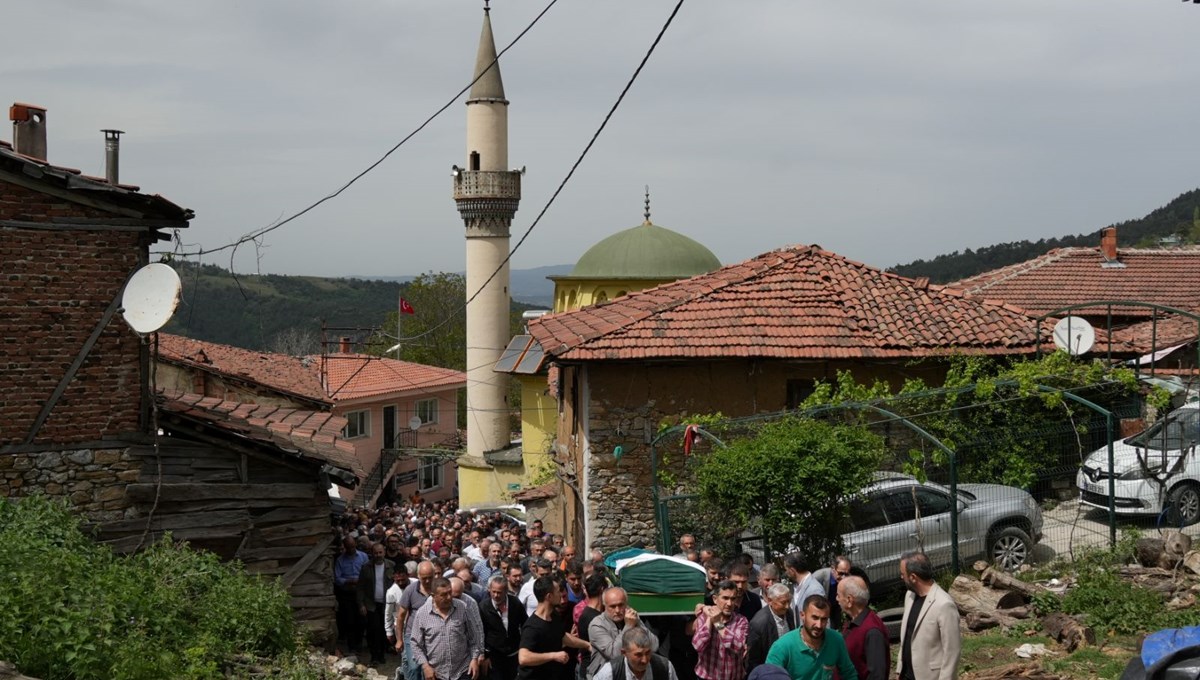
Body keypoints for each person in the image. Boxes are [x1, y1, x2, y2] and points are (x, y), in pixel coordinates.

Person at [896, 552, 960, 680]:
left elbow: (952, 652)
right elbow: (906, 636)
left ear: (913, 577)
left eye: (903, 574)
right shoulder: (910, 596)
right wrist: (899, 670)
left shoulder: (944, 604)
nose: (901, 577)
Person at [765, 594, 857, 680]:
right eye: (815, 618)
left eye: (824, 619)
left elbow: (849, 673)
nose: (819, 625)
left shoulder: (836, 640)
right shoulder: (782, 647)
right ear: (802, 615)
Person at [409, 577, 485, 680]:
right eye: (444, 595)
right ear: (433, 596)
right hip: (436, 673)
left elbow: (474, 636)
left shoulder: (462, 607)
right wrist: (425, 666)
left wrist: (474, 659)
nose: (449, 597)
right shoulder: (422, 614)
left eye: (450, 592)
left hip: (463, 670)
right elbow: (415, 643)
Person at [518, 576, 592, 680]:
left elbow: (563, 637)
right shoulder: (532, 627)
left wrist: (587, 645)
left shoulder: (554, 616)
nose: (561, 595)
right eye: (558, 592)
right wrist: (553, 656)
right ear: (549, 596)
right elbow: (523, 658)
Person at [588, 587, 659, 678]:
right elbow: (614, 654)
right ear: (604, 606)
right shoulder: (597, 625)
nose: (617, 611)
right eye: (612, 606)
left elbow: (654, 646)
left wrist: (637, 622)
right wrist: (629, 626)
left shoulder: (631, 619)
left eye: (621, 605)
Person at [693, 580, 749, 680]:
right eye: (725, 598)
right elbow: (698, 645)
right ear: (715, 599)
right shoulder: (704, 618)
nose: (729, 603)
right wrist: (711, 618)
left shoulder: (741, 621)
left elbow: (738, 647)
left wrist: (718, 624)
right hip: (707, 677)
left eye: (733, 599)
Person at [837, 576, 889, 680]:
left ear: (849, 600)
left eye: (838, 595)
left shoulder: (872, 631)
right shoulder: (855, 622)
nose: (836, 599)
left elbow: (877, 675)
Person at [482, 574, 528, 680]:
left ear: (506, 591)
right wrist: (486, 655)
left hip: (514, 653)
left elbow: (525, 623)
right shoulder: (484, 607)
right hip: (495, 656)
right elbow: (481, 632)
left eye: (499, 592)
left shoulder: (515, 603)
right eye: (493, 592)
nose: (496, 595)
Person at [397, 561, 438, 680]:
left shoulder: (439, 589)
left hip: (433, 636)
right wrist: (399, 639)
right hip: (412, 635)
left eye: (430, 577)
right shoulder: (410, 590)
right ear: (418, 576)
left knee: (429, 670)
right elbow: (401, 616)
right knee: (414, 667)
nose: (427, 581)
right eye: (424, 578)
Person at [357, 542, 395, 666]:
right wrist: (361, 604)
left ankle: (381, 655)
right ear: (372, 553)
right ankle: (374, 656)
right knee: (373, 630)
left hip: (386, 604)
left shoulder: (391, 565)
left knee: (384, 631)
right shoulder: (366, 567)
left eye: (380, 552)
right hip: (371, 604)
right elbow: (360, 587)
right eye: (376, 553)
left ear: (384, 552)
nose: (378, 555)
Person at [593, 627, 679, 680]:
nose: (644, 660)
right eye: (638, 655)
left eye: (648, 653)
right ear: (624, 653)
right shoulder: (610, 672)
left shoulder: (665, 667)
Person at [745, 583, 794, 674]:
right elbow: (753, 659)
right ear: (770, 601)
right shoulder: (759, 623)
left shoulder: (788, 613)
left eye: (789, 601)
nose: (787, 606)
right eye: (783, 602)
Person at [335, 536, 369, 654]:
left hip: (361, 592)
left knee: (362, 619)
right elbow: (338, 579)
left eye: (353, 547)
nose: (351, 549)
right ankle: (352, 646)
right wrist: (349, 581)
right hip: (347, 593)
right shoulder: (340, 560)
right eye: (349, 548)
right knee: (349, 620)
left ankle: (359, 643)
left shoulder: (363, 557)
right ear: (345, 547)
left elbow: (368, 572)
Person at [782, 553, 823, 624]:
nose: (786, 573)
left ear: (792, 571)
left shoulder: (814, 589)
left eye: (786, 570)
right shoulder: (797, 587)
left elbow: (820, 619)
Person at [385, 564, 413, 652]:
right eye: (398, 580)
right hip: (401, 625)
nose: (400, 582)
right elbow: (388, 613)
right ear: (394, 578)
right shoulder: (391, 592)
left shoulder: (416, 584)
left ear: (408, 575)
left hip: (416, 622)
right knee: (405, 653)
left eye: (403, 580)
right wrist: (389, 631)